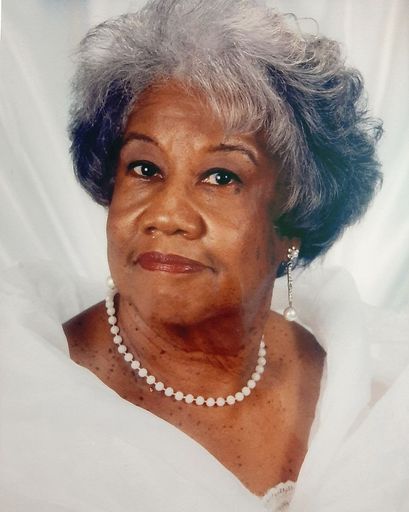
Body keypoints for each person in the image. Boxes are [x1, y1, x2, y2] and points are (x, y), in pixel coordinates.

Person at [1, 1, 408, 511]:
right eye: (144, 168)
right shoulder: (21, 395)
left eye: (221, 177)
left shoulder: (369, 387)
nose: (168, 215)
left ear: (294, 221)